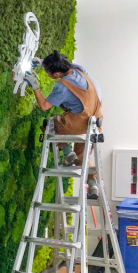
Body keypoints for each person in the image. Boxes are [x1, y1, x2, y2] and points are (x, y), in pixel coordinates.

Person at [23, 50, 102, 197]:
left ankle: (67, 153)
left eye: (48, 72)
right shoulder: (79, 70)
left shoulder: (62, 87)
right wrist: (42, 62)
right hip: (95, 119)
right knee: (83, 154)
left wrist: (34, 86)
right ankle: (93, 186)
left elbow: (45, 106)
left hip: (80, 120)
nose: (47, 74)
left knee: (50, 124)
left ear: (57, 74)